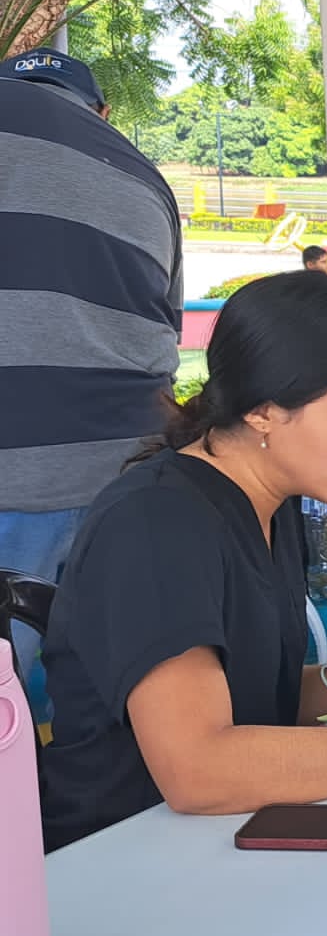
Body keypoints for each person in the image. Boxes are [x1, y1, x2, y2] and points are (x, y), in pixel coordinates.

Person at [39, 272, 327, 851]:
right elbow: (198, 769)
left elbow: (255, 691)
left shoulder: (269, 503)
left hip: (220, 836)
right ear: (263, 412)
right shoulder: (156, 524)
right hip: (117, 852)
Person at [0, 46, 182, 720]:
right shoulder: (146, 177)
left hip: (15, 480)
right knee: (100, 714)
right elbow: (164, 334)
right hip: (128, 479)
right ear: (102, 112)